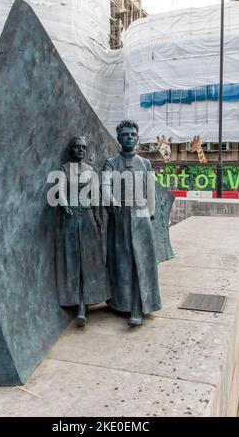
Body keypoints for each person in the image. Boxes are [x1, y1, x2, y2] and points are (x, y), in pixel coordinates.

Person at [103, 120, 161, 326]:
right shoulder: (110, 163)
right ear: (118, 139)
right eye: (125, 135)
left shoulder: (145, 163)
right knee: (121, 262)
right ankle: (121, 302)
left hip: (141, 216)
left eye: (132, 135)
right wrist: (111, 199)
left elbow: (151, 192)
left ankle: (138, 306)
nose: (129, 138)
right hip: (119, 218)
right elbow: (106, 184)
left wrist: (150, 213)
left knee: (141, 261)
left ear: (137, 138)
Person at [54, 136, 110, 327]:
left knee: (89, 263)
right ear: (71, 149)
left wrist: (98, 219)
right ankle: (77, 303)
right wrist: (63, 204)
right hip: (69, 220)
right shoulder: (63, 169)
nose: (80, 150)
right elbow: (60, 189)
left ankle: (86, 304)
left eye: (83, 148)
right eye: (77, 147)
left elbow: (95, 197)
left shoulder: (90, 171)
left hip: (87, 221)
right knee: (73, 262)